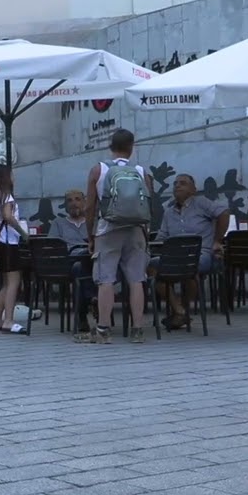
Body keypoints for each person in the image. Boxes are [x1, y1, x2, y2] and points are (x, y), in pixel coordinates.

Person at [83, 129, 154, 344]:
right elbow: (148, 205)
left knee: (106, 279)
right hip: (136, 230)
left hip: (108, 229)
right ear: (132, 147)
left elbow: (90, 207)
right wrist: (146, 232)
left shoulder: (99, 170)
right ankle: (138, 330)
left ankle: (103, 330)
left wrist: (91, 235)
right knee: (136, 279)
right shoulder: (142, 171)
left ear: (110, 146)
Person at [149, 174, 229, 330]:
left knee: (190, 268)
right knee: (151, 267)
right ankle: (180, 311)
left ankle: (181, 311)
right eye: (175, 183)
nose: (177, 186)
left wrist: (217, 240)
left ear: (193, 189)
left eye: (183, 183)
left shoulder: (201, 203)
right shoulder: (168, 212)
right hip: (175, 256)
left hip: (201, 254)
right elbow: (162, 237)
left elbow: (224, 213)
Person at [0, 164, 32, 334]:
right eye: (11, 174)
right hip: (8, 242)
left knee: (6, 283)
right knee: (14, 282)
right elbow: (8, 216)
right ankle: (9, 320)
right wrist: (22, 232)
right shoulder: (7, 197)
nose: (14, 177)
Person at [45, 189, 93, 336]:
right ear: (65, 205)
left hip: (92, 261)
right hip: (68, 263)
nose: (74, 203)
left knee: (86, 266)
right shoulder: (58, 223)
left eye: (78, 199)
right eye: (70, 200)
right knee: (79, 267)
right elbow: (51, 247)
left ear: (85, 202)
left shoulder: (93, 222)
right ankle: (91, 303)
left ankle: (84, 312)